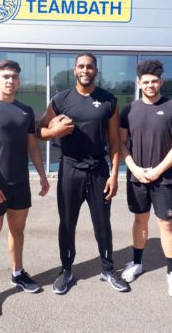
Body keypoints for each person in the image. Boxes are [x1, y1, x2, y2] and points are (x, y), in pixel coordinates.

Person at [37, 52, 129, 294]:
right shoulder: (61, 99)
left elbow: (114, 141)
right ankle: (66, 270)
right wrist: (53, 131)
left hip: (99, 170)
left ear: (96, 71)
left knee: (103, 223)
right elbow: (40, 130)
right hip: (70, 168)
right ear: (74, 70)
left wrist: (115, 175)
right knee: (67, 223)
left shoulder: (109, 101)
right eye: (81, 66)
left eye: (89, 66)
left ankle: (108, 269)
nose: (85, 70)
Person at [0, 59, 49, 318]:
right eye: (5, 76)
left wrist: (42, 175)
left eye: (14, 76)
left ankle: (17, 273)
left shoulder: (25, 111)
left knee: (18, 231)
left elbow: (33, 146)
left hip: (20, 184)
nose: (10, 80)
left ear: (19, 80)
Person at [119, 59, 172, 298]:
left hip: (164, 179)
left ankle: (171, 272)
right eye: (145, 82)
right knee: (140, 220)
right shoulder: (129, 110)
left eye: (154, 81)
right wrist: (133, 168)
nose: (150, 85)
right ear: (139, 83)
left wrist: (157, 170)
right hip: (137, 176)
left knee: (166, 224)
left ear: (161, 81)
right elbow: (121, 143)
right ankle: (137, 263)